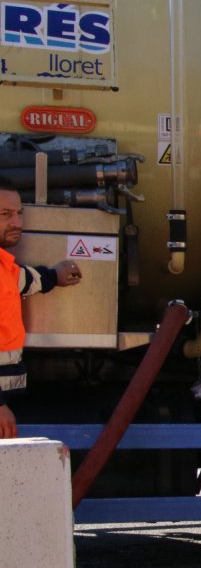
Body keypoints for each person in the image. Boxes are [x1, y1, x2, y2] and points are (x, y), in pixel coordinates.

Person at [0, 184, 83, 439]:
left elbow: (24, 279)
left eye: (19, 213)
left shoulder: (4, 265)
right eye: (5, 214)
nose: (17, 222)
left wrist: (53, 276)